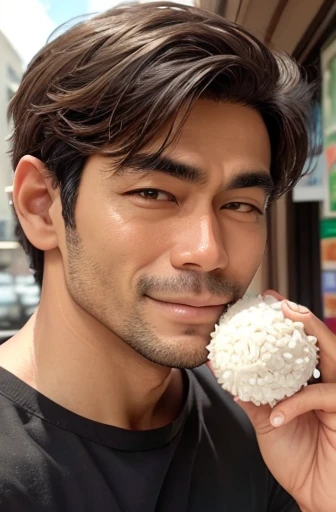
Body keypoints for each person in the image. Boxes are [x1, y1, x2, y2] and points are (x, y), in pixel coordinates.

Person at [1, 2, 335, 510]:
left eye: (241, 204)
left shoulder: (274, 431)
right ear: (41, 207)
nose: (209, 251)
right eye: (154, 194)